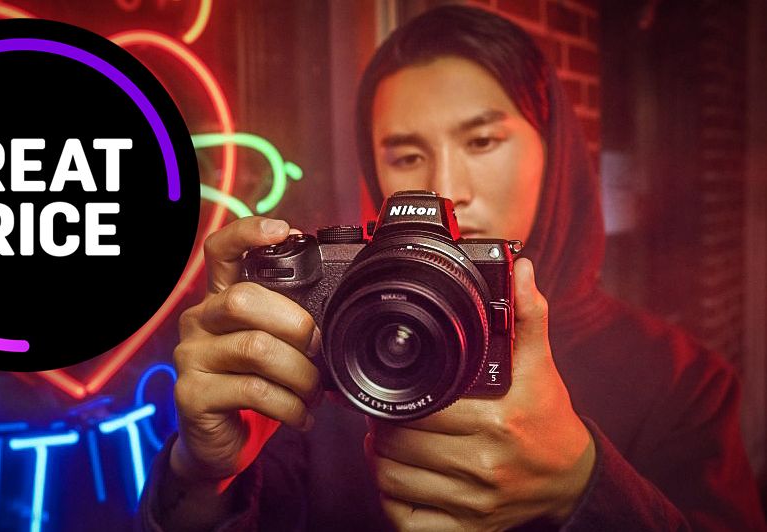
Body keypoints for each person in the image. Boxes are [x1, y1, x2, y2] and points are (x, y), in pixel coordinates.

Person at [139, 5, 767, 531]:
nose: (445, 187)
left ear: (555, 151)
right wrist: (204, 476)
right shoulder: (325, 352)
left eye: (482, 141)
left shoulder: (685, 383)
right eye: (407, 154)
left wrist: (583, 485)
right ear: (373, 169)